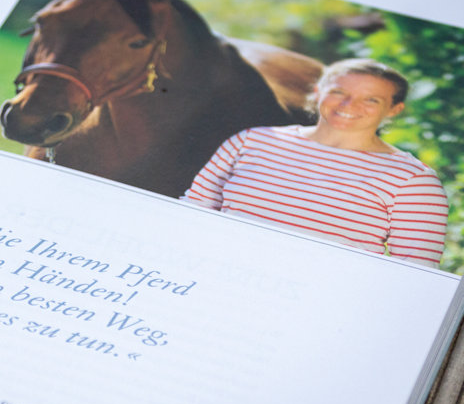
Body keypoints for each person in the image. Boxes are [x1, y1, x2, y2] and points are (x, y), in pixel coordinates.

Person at [181, 58, 449, 267]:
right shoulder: (250, 141)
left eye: (371, 99)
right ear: (318, 92)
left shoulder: (413, 181)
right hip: (212, 277)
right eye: (338, 91)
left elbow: (415, 272)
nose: (349, 104)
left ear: (393, 109)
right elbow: (190, 214)